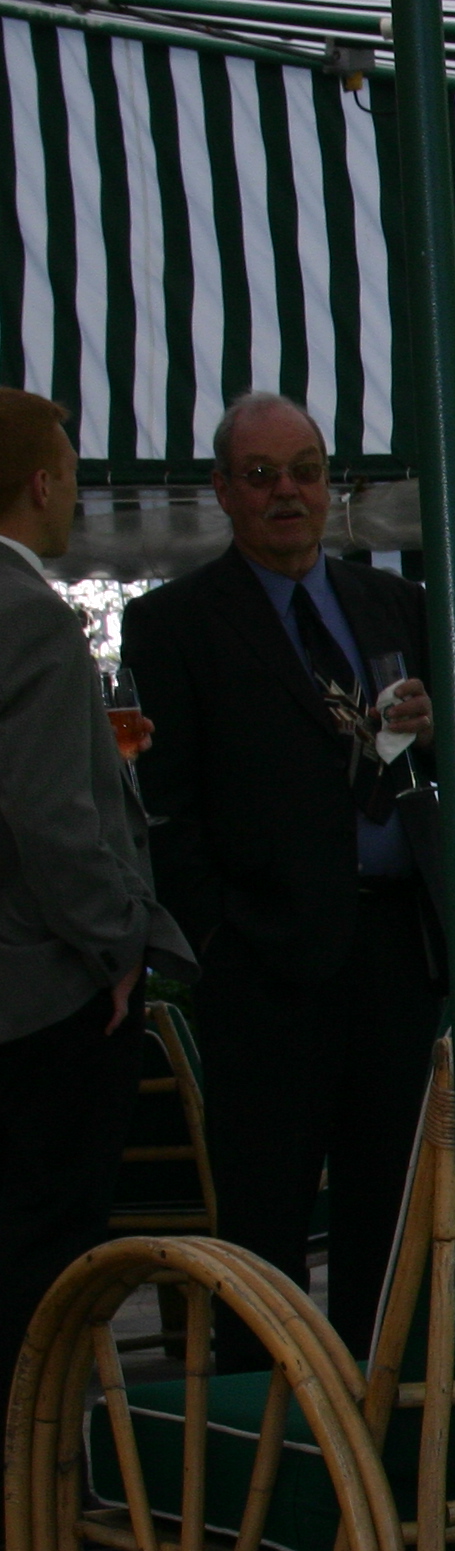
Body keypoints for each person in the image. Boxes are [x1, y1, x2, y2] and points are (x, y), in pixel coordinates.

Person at [122, 393, 440, 1362]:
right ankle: (268, 1424)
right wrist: (218, 941)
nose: (288, 493)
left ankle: (380, 1414)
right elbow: (163, 810)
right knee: (263, 1220)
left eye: (305, 470)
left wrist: (428, 733)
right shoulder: (174, 622)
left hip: (394, 952)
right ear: (223, 490)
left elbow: (444, 769)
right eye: (262, 476)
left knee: (392, 1214)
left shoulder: (394, 604)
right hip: (262, 967)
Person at [0, 390, 191, 1369]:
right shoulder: (29, 614)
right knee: (42, 1277)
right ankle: (37, 1461)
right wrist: (120, 940)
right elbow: (47, 820)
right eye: (72, 474)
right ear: (42, 484)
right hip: (41, 1004)